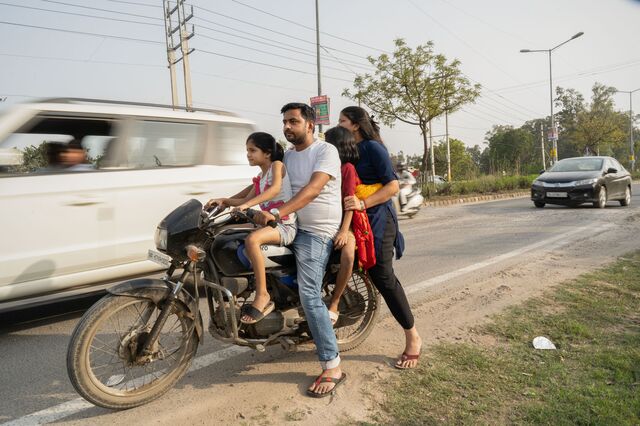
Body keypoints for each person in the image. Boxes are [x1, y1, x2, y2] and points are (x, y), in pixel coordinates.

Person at [253, 103, 346, 398]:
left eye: (293, 121)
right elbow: (269, 184)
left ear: (310, 124)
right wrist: (234, 204)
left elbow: (313, 189)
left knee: (309, 294)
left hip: (316, 232)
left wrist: (279, 213)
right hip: (292, 225)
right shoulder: (288, 156)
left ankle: (332, 365)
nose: (287, 127)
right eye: (284, 122)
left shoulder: (325, 151)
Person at [339, 106, 423, 369]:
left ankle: (413, 336)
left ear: (355, 124)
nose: (339, 124)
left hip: (378, 219)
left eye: (342, 120)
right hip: (354, 219)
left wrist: (363, 203)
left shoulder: (374, 148)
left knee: (383, 276)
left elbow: (392, 186)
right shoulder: (346, 148)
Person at [205, 132, 297, 324]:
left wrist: (247, 206)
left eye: (252, 150)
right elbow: (244, 199)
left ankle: (262, 294)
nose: (248, 154)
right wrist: (224, 201)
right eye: (247, 150)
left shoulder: (277, 167)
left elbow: (274, 190)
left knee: (252, 240)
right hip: (267, 223)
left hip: (284, 224)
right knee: (223, 234)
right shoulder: (261, 176)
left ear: (267, 153)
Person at [324, 126, 375, 325]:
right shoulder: (326, 168)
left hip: (348, 223)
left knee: (347, 253)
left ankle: (335, 302)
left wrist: (344, 231)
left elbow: (349, 202)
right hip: (327, 222)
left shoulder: (347, 169)